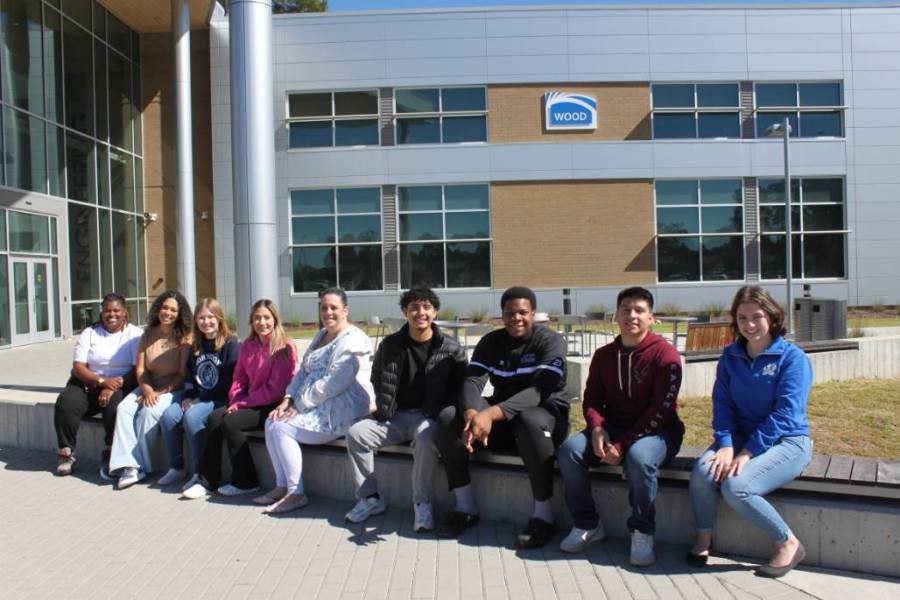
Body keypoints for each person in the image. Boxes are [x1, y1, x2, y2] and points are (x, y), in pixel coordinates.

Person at [687, 285, 813, 578]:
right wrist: (726, 444)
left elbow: (786, 414)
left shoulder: (792, 358)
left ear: (772, 317)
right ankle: (704, 538)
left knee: (736, 486)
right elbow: (722, 404)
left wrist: (747, 453)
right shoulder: (730, 356)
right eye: (742, 318)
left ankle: (788, 542)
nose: (750, 325)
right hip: (740, 437)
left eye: (757, 317)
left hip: (787, 441)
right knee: (703, 473)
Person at [556, 286, 683, 566]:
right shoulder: (604, 355)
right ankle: (588, 524)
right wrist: (597, 428)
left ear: (651, 318)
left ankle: (642, 531)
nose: (632, 316)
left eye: (639, 310)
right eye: (626, 309)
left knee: (639, 458)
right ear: (616, 315)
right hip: (612, 427)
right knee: (569, 451)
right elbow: (591, 399)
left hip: (658, 432)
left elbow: (661, 411)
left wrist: (623, 445)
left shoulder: (666, 356)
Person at [434, 286, 569, 549]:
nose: (516, 318)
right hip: (504, 422)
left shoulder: (551, 341)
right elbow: (472, 382)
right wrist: (472, 414)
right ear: (502, 314)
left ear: (533, 314)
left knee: (529, 419)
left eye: (523, 312)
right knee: (449, 417)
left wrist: (490, 414)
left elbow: (539, 391)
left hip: (545, 418)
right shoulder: (491, 342)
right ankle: (465, 507)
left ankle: (543, 516)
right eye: (510, 313)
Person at [344, 286, 467, 531]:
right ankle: (369, 498)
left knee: (425, 438)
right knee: (356, 433)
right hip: (395, 417)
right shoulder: (390, 344)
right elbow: (377, 377)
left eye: (426, 307)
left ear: (435, 312)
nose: (420, 313)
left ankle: (422, 504)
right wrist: (385, 406)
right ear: (405, 312)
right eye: (414, 308)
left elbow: (462, 387)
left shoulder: (451, 348)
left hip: (428, 417)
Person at [253, 288, 375, 514]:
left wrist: (299, 405)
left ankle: (296, 493)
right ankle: (282, 486)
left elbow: (332, 385)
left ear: (345, 310)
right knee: (271, 421)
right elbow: (303, 371)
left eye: (334, 307)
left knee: (281, 427)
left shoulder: (354, 340)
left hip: (340, 409)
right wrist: (288, 398)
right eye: (324, 307)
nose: (328, 312)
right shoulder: (321, 335)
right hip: (313, 404)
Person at [182, 299, 297, 499]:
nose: (262, 322)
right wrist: (236, 400)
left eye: (266, 318)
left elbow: (275, 389)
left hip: (273, 404)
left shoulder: (284, 346)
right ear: (251, 321)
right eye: (257, 318)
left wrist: (242, 404)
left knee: (231, 422)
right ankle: (208, 482)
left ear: (275, 319)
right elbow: (239, 379)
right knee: (214, 419)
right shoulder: (248, 346)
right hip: (249, 401)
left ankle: (246, 481)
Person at [108, 290, 193, 489]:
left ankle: (140, 466)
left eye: (173, 310)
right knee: (123, 409)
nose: (168, 313)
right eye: (165, 308)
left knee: (149, 411)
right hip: (148, 385)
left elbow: (182, 375)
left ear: (179, 314)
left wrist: (157, 394)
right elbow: (141, 370)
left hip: (173, 388)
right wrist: (147, 390)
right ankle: (127, 465)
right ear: (158, 308)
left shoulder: (184, 337)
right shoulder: (148, 334)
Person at [53, 293, 143, 476]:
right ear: (101, 313)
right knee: (66, 403)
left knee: (115, 407)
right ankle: (66, 453)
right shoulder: (90, 333)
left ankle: (110, 452)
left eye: (116, 310)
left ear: (125, 313)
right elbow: (78, 366)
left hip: (122, 383)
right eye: (107, 311)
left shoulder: (135, 334)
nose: (112, 314)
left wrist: (112, 386)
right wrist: (102, 382)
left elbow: (136, 369)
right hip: (89, 382)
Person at [158, 298, 240, 490]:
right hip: (198, 396)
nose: (206, 322)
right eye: (201, 318)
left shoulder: (231, 344)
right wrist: (188, 395)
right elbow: (189, 376)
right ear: (196, 321)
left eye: (211, 317)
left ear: (219, 318)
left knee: (192, 416)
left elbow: (230, 381)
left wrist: (199, 399)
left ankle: (198, 472)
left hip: (220, 398)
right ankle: (177, 467)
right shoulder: (196, 344)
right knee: (169, 416)